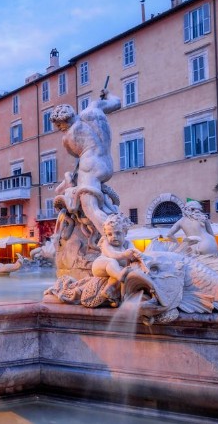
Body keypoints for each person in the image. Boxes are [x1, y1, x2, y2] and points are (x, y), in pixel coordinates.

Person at [51, 89, 121, 234]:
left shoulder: (67, 137)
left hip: (89, 166)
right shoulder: (93, 109)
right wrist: (107, 94)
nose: (59, 129)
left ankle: (112, 239)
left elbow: (74, 153)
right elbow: (117, 102)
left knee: (90, 207)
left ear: (61, 122)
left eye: (58, 126)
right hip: (106, 163)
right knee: (96, 203)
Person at [91, 213, 144, 304]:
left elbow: (135, 253)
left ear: (125, 233)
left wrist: (139, 257)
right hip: (100, 265)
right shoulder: (106, 242)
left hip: (114, 271)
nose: (114, 236)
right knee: (112, 262)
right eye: (110, 234)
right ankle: (120, 276)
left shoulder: (127, 244)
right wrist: (124, 254)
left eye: (118, 233)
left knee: (122, 271)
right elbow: (112, 254)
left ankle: (110, 293)